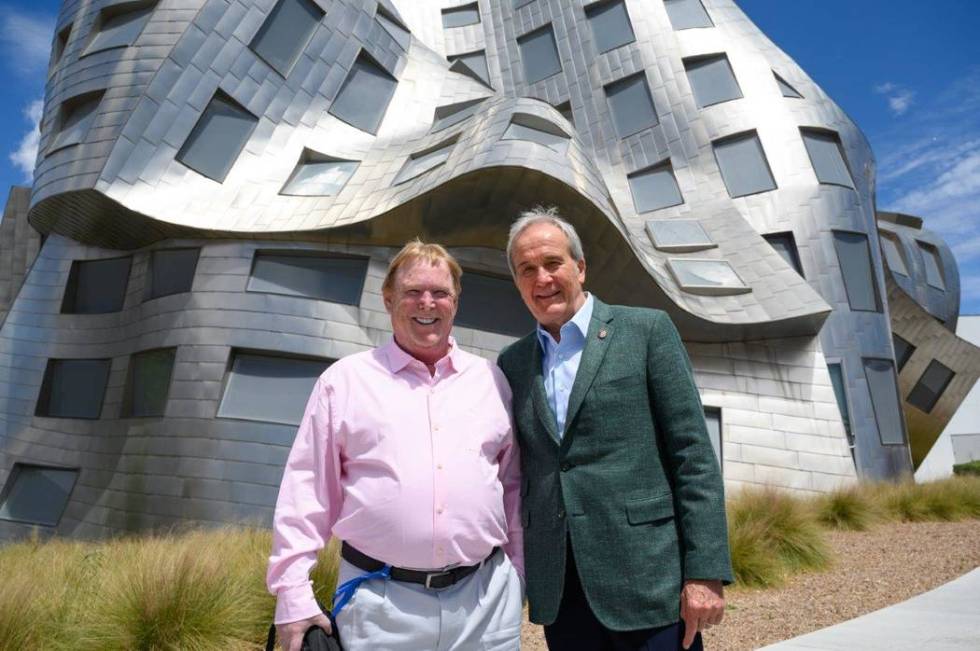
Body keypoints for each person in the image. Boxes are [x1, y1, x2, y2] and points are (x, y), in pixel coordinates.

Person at [267, 240, 524, 651]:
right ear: (388, 300)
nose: (428, 303)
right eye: (413, 292)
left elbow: (511, 487)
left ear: (455, 302)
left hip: (485, 603)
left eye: (440, 292)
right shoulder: (345, 382)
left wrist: (518, 576)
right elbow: (306, 491)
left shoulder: (491, 381)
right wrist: (293, 593)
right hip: (381, 606)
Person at [497, 207, 733, 651]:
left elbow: (693, 456)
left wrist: (704, 571)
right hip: (563, 590)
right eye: (527, 270)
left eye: (552, 263)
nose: (542, 279)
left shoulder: (646, 331)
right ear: (518, 284)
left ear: (580, 267)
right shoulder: (512, 362)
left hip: (649, 581)